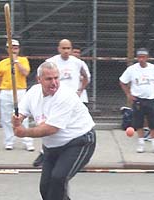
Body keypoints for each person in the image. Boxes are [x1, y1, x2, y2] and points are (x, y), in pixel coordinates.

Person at [12, 61, 96, 200]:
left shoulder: (65, 95)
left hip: (79, 142)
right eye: (49, 79)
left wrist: (24, 132)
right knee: (45, 188)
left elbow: (51, 129)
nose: (54, 82)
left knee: (58, 179)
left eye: (56, 78)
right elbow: (20, 113)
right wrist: (16, 119)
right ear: (39, 80)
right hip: (52, 147)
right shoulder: (33, 92)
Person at [32, 39, 89, 167]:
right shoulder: (51, 62)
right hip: (54, 99)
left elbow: (86, 77)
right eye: (63, 48)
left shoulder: (78, 63)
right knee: (49, 126)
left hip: (71, 101)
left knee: (70, 129)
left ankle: (71, 154)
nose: (66, 51)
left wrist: (80, 89)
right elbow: (40, 78)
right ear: (58, 49)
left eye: (68, 48)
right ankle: (44, 153)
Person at [0, 39, 34, 151]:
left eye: (16, 48)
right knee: (6, 118)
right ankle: (9, 141)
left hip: (20, 91)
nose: (14, 50)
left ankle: (27, 141)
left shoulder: (23, 60)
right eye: (11, 48)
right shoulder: (2, 63)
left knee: (23, 116)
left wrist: (16, 62)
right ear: (7, 50)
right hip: (5, 91)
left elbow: (25, 73)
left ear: (19, 49)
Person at [119, 47, 154, 154]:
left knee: (153, 123)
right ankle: (141, 144)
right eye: (139, 57)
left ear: (147, 57)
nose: (141, 59)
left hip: (150, 99)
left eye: (143, 57)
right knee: (139, 123)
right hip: (138, 100)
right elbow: (122, 81)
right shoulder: (132, 69)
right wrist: (128, 94)